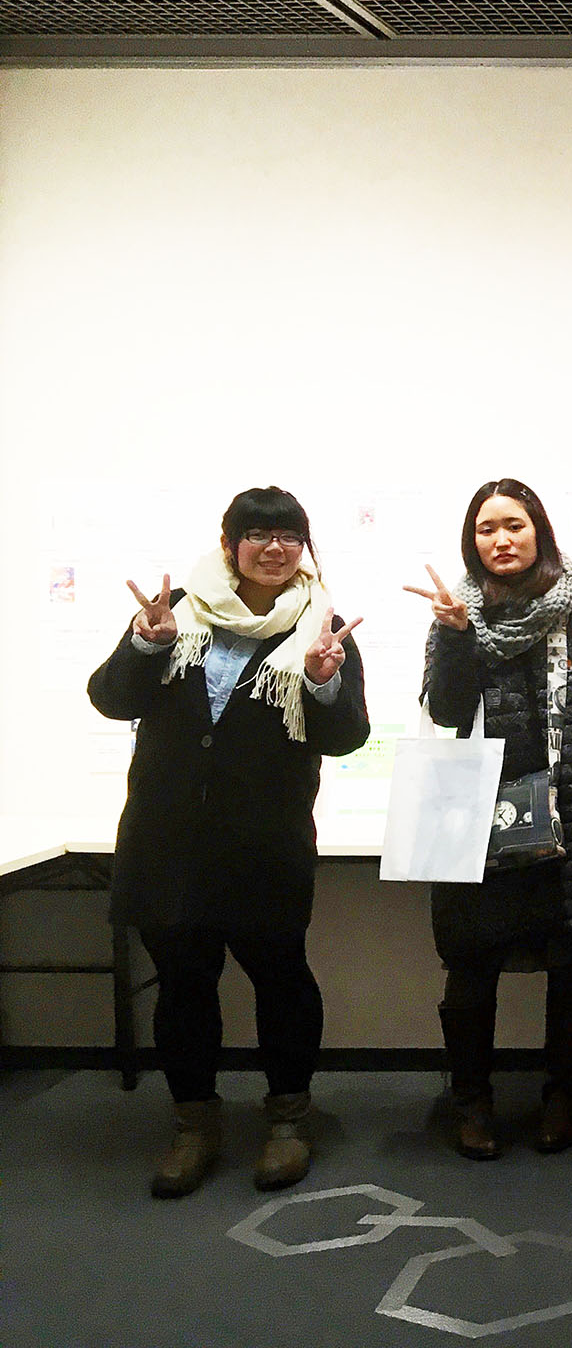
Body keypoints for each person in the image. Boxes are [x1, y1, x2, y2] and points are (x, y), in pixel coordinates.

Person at [87, 486, 369, 1198]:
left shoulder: (322, 626)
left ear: (305, 546)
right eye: (258, 534)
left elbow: (347, 737)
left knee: (282, 981)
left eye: (289, 535)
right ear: (229, 543)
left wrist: (323, 683)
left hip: (264, 843)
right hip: (167, 841)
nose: (274, 548)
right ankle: (194, 1126)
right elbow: (111, 699)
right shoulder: (174, 613)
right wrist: (144, 645)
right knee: (183, 987)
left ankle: (288, 1122)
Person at [408, 479, 572, 1160]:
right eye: (486, 529)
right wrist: (456, 638)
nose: (501, 539)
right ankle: (472, 1103)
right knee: (470, 966)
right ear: (471, 541)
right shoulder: (457, 614)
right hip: (480, 814)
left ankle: (561, 1096)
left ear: (539, 530)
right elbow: (447, 711)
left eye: (514, 525)